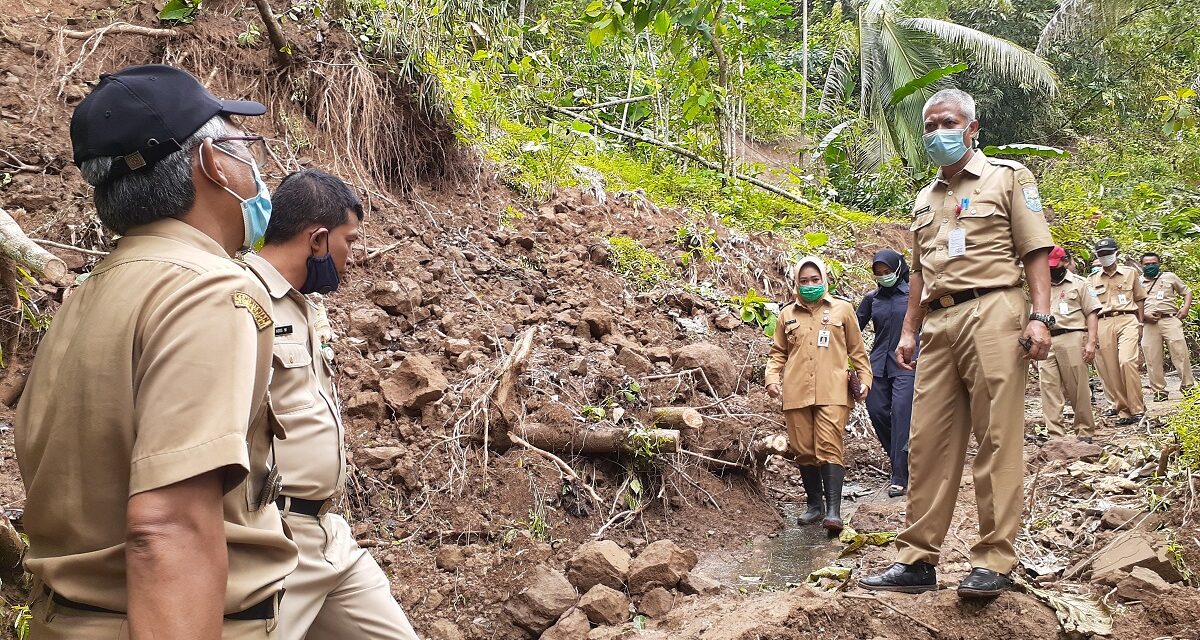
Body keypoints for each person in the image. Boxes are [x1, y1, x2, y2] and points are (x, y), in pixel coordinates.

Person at [15, 65, 296, 638]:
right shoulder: (209, 291)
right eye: (246, 148)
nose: (258, 170)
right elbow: (168, 528)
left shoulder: (88, 294)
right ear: (215, 163)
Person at [859, 88, 1054, 598]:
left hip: (995, 309)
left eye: (946, 122)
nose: (936, 133)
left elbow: (1035, 249)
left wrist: (1041, 317)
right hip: (938, 325)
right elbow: (920, 272)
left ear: (972, 128)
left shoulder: (1007, 178)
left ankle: (993, 559)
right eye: (928, 125)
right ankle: (918, 560)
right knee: (927, 443)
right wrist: (907, 329)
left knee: (996, 436)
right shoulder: (925, 199)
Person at [244, 170, 420, 640]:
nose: (353, 257)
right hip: (270, 540)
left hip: (327, 534)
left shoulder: (304, 305)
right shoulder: (241, 302)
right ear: (318, 240)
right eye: (350, 241)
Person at [766, 256, 871, 533]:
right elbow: (778, 352)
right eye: (804, 281)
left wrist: (866, 380)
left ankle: (834, 511)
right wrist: (771, 379)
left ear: (824, 280)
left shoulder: (843, 310)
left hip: (833, 389)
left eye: (815, 280)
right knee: (803, 449)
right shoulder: (787, 315)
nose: (810, 285)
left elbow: (857, 350)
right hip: (796, 390)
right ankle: (815, 505)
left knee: (828, 444)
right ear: (796, 284)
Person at [856, 249, 916, 497]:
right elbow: (851, 329)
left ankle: (900, 476)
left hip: (908, 364)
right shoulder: (872, 299)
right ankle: (905, 462)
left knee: (902, 414)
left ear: (899, 269)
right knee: (877, 410)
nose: (884, 277)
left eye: (888, 272)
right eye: (878, 274)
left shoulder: (915, 295)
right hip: (878, 364)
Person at [1040, 246, 1100, 441]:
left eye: (1054, 265)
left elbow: (1091, 312)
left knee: (1077, 387)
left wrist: (1091, 342)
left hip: (1072, 336)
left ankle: (1084, 431)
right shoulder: (1040, 285)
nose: (1050, 269)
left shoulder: (1080, 284)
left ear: (1065, 262)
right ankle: (1055, 435)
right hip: (1046, 339)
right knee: (1048, 387)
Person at [1089, 238, 1147, 424]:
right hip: (1103, 322)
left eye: (1108, 253)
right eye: (1102, 254)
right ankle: (1123, 410)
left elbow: (1139, 299)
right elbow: (1089, 308)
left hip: (1127, 318)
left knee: (1127, 361)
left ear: (1116, 253)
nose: (1105, 257)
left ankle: (1138, 408)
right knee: (1111, 368)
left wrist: (1140, 323)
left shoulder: (1130, 274)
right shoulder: (1091, 280)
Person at [1139, 251, 1195, 402]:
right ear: (1141, 265)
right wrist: (1144, 316)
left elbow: (1187, 291)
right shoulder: (1136, 282)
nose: (1150, 266)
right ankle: (1159, 391)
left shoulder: (1169, 277)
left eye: (1153, 264)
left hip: (1170, 319)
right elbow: (1132, 303)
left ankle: (1188, 387)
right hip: (1149, 324)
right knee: (1152, 357)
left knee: (1180, 353)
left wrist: (1185, 308)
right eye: (1147, 264)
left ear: (1159, 264)